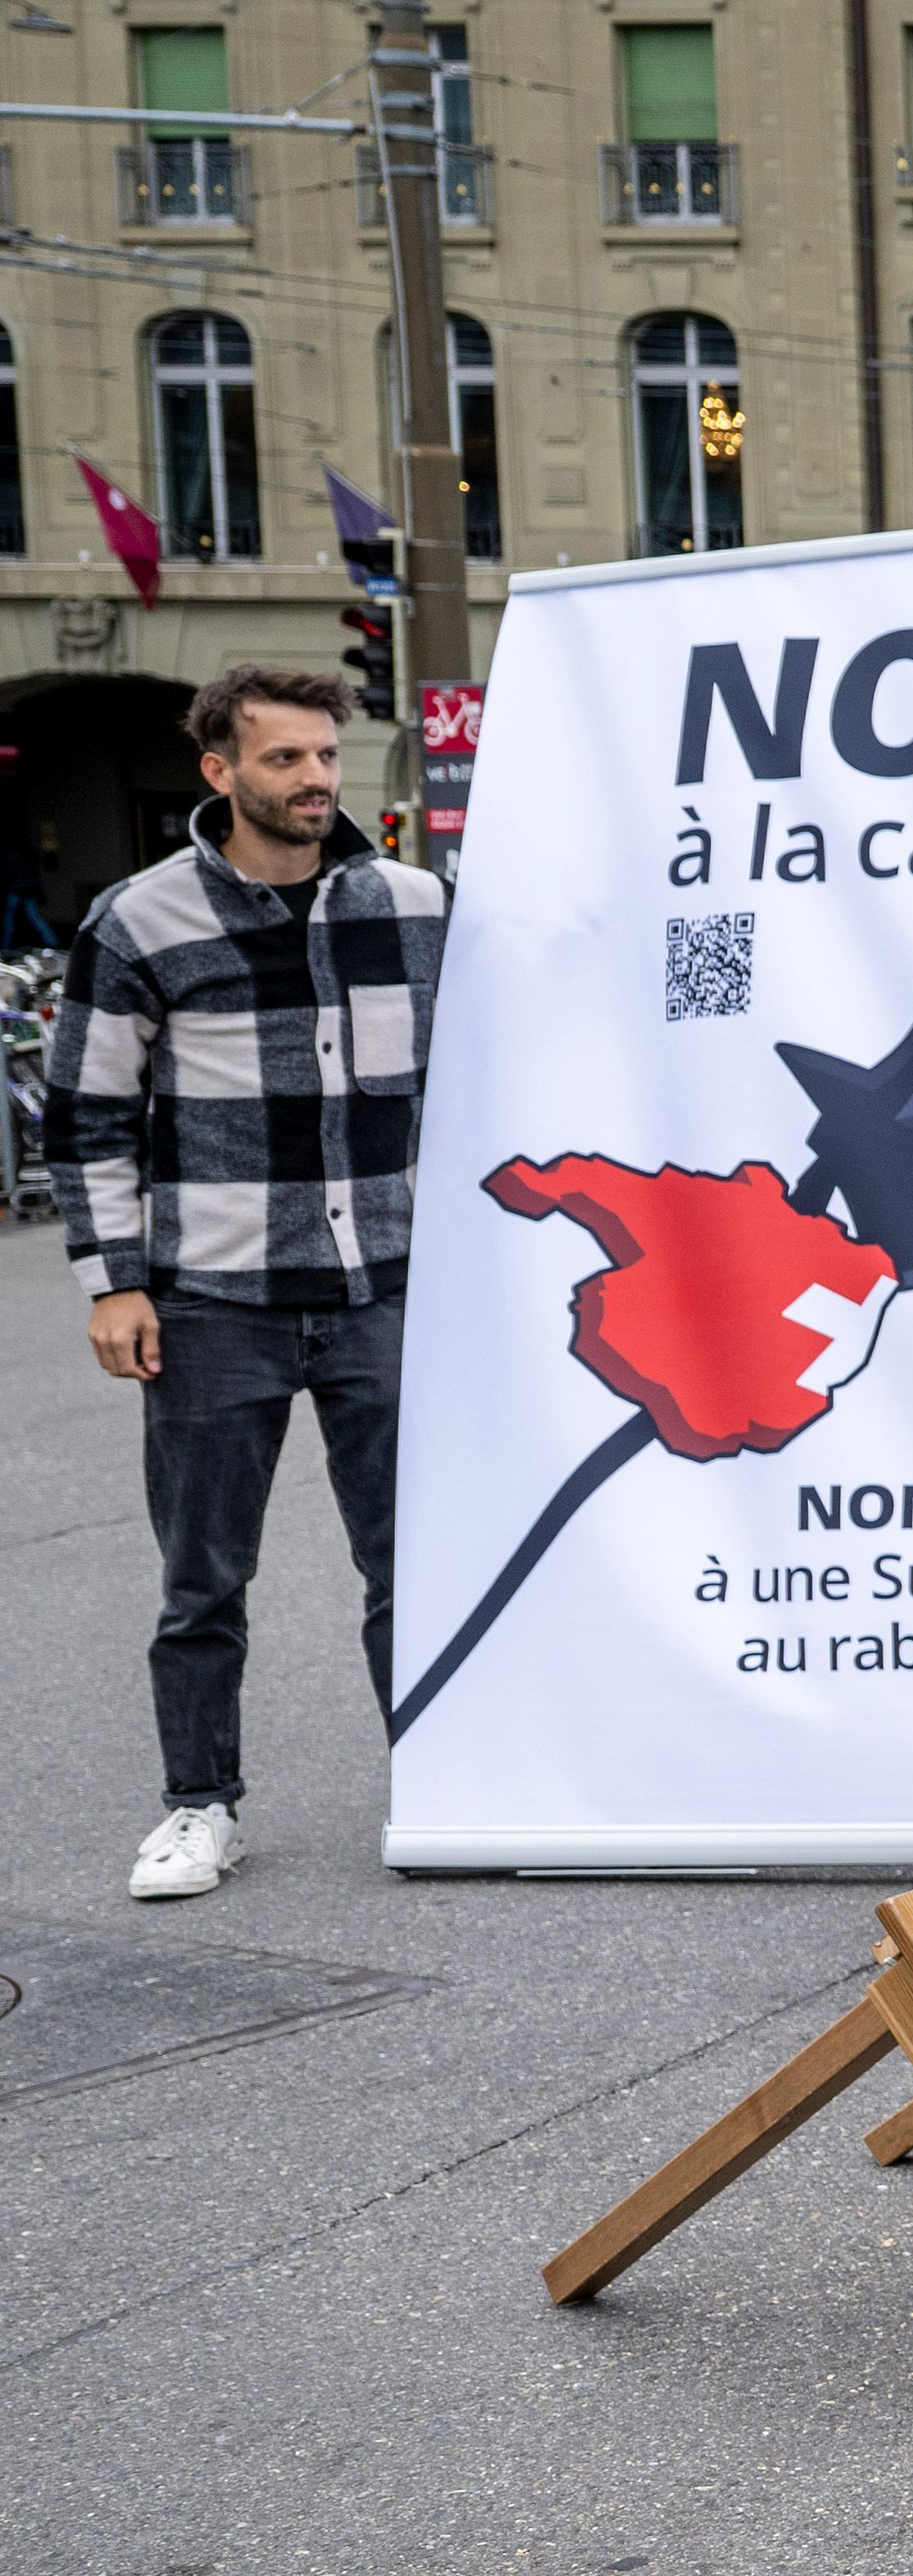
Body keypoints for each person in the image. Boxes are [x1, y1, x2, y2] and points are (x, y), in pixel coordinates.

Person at [57, 662, 447, 1902]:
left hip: (386, 1289)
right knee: (204, 1579)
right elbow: (88, 1114)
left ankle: (441, 1786)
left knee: (416, 1565)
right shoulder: (140, 920)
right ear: (220, 771)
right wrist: (113, 1282)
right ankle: (199, 1805)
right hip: (212, 1301)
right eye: (285, 759)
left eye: (326, 755)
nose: (316, 779)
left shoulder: (418, 906)